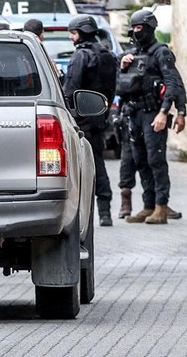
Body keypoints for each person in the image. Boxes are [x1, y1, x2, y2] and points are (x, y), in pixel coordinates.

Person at [118, 9, 186, 225]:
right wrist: (123, 66)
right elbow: (122, 85)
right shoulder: (132, 55)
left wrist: (166, 112)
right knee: (140, 160)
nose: (137, 32)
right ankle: (148, 205)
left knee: (156, 159)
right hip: (135, 113)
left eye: (140, 28)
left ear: (148, 28)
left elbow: (173, 83)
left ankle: (161, 206)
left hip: (153, 113)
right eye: (134, 28)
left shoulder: (161, 53)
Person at [62, 15, 117, 226]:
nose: (71, 37)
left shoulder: (81, 56)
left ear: (81, 32)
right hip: (99, 118)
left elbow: (70, 89)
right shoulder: (108, 55)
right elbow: (112, 90)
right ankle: (105, 211)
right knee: (98, 163)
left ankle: (82, 213)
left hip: (81, 119)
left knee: (79, 167)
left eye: (73, 33)